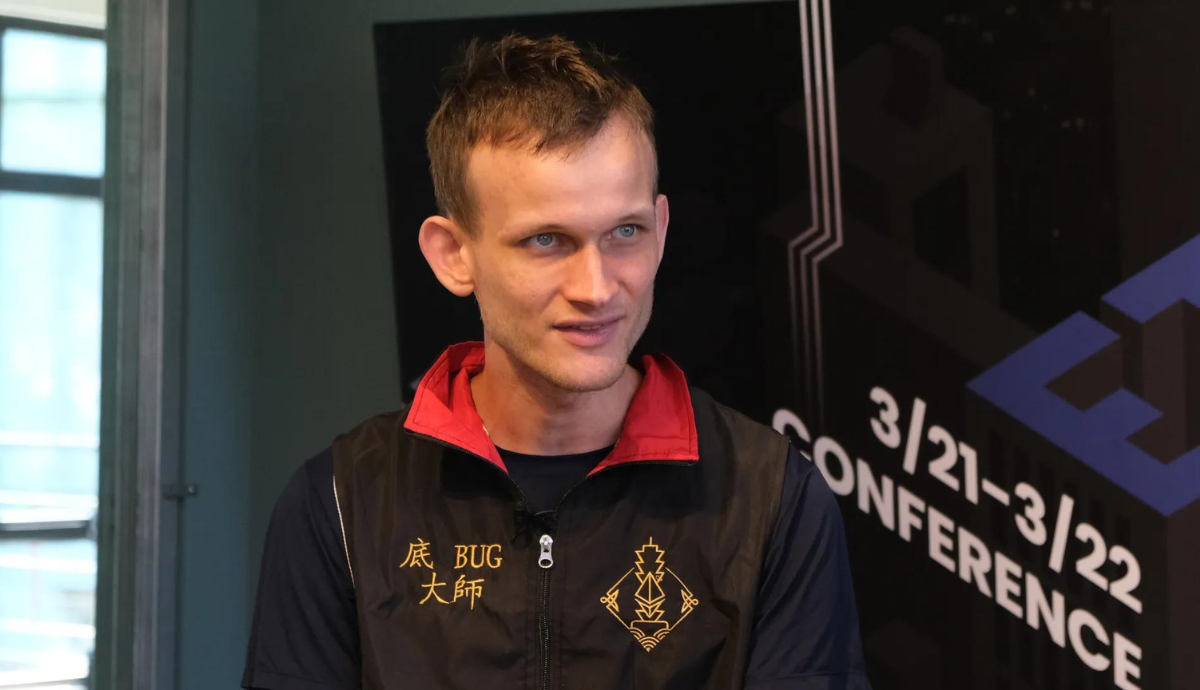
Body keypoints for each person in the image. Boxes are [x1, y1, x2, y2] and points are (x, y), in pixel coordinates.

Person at [242, 32, 871, 690]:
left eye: (624, 232)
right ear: (453, 255)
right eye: (546, 240)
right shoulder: (341, 502)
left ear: (661, 232)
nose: (596, 288)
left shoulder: (772, 497)